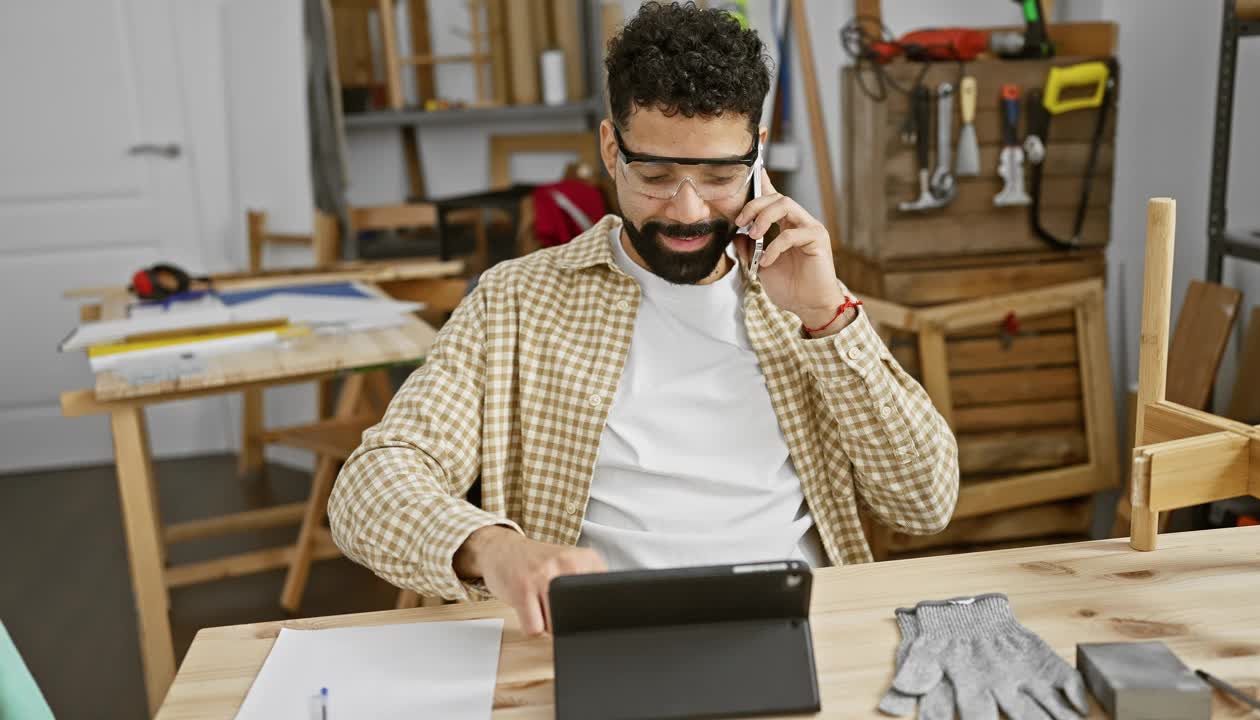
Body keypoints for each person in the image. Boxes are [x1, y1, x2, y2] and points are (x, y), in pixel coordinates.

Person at [329, 1, 958, 636]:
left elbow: (924, 502)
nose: (686, 210)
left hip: (796, 632)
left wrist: (827, 319)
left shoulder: (806, 295)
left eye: (718, 176)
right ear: (611, 148)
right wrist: (493, 549)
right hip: (597, 639)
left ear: (758, 154)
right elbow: (368, 490)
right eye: (654, 174)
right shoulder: (515, 302)